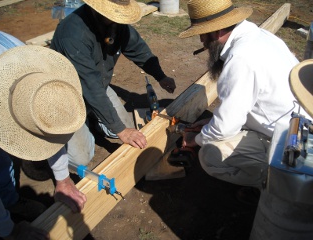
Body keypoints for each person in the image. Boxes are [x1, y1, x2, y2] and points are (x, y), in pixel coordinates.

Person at [178, 0, 310, 194]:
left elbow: (225, 128)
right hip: (297, 126)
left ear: (216, 32)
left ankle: (279, 186)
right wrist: (209, 122)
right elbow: (253, 101)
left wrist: (195, 140)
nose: (201, 42)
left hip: (291, 143)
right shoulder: (260, 35)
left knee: (210, 155)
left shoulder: (240, 58)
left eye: (202, 34)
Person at [0, 44, 95, 239]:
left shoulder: (25, 60)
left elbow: (48, 128)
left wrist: (63, 179)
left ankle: (9, 200)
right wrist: (10, 230)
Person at [50, 0, 176, 149]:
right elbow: (90, 85)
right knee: (82, 157)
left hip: (98, 85)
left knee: (125, 128)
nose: (119, 18)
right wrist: (121, 130)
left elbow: (138, 49)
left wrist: (160, 76)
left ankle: (94, 115)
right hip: (69, 96)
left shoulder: (115, 24)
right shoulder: (73, 35)